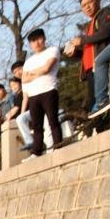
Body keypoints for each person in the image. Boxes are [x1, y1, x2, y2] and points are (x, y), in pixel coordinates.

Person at [65, 0, 110, 115]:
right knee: (93, 104)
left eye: (90, 2)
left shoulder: (107, 12)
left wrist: (82, 40)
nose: (87, 7)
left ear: (98, 1)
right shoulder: (90, 25)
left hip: (102, 66)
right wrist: (75, 52)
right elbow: (89, 49)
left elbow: (106, 32)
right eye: (84, 6)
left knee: (102, 103)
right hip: (90, 70)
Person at [23, 28, 63, 156]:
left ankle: (58, 146)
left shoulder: (52, 50)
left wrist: (33, 73)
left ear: (44, 39)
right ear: (30, 44)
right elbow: (24, 78)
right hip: (33, 95)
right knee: (36, 126)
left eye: (39, 39)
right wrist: (38, 72)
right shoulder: (28, 61)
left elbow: (47, 68)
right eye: (33, 41)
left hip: (49, 90)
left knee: (53, 121)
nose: (37, 43)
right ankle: (37, 151)